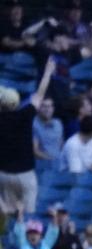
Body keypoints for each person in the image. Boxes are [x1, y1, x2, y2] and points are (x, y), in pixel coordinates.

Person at [0, 59, 54, 218]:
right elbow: (39, 95)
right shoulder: (25, 114)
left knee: (9, 216)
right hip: (25, 174)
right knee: (28, 214)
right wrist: (48, 73)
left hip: (4, 175)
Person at [32, 97, 63, 166]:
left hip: (57, 163)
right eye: (44, 106)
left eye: (50, 106)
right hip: (42, 165)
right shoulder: (34, 124)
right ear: (38, 108)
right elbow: (35, 151)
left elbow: (61, 144)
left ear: (53, 108)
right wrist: (52, 160)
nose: (47, 109)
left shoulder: (58, 123)